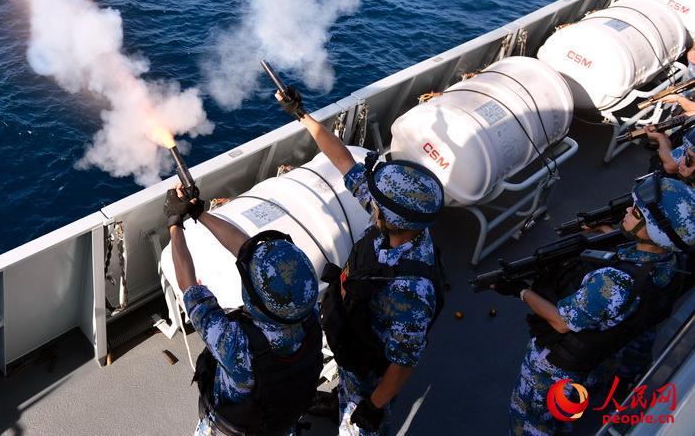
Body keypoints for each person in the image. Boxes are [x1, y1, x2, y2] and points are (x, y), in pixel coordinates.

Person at [275, 87, 445, 435]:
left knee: (358, 426)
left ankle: (357, 412)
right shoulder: (400, 223)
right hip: (357, 339)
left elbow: (402, 363)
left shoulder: (412, 291)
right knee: (350, 385)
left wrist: (373, 406)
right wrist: (301, 115)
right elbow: (343, 162)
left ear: (390, 215)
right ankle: (344, 396)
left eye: (378, 201)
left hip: (374, 369)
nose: (373, 201)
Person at [491, 174, 694, 435]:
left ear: (656, 230)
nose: (628, 212)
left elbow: (561, 321)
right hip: (599, 355)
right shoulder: (668, 264)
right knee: (564, 412)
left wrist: (520, 291)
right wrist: (604, 231)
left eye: (636, 213)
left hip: (555, 369)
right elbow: (634, 255)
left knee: (532, 422)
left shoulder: (613, 282)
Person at [164, 184, 323, 435]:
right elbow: (246, 248)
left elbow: (188, 286)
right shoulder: (307, 313)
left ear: (257, 300)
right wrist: (200, 213)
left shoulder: (237, 345)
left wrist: (174, 223)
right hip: (282, 420)